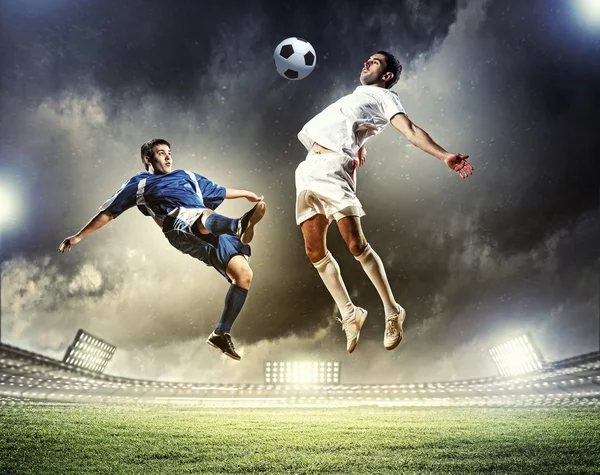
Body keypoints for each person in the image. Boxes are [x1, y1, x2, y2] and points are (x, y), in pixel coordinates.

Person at [295, 51, 473, 353]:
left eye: (375, 62)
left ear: (387, 76)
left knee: (354, 244)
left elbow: (411, 130)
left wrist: (444, 156)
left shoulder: (385, 98)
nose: (366, 62)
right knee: (314, 252)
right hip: (308, 170)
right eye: (367, 59)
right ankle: (350, 314)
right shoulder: (355, 98)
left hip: (334, 169)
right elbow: (354, 125)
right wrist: (362, 142)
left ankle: (393, 311)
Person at [58, 139, 266, 361]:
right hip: (177, 225)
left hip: (208, 227)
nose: (168, 157)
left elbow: (220, 191)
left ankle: (221, 333)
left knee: (244, 275)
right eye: (161, 153)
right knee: (200, 214)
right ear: (148, 159)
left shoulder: (188, 176)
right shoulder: (140, 184)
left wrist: (246, 193)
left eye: (169, 152)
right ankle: (237, 226)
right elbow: (109, 212)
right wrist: (79, 236)